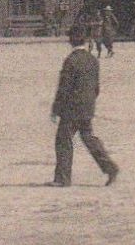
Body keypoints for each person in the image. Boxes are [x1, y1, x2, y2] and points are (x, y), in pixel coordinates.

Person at [49, 24, 118, 187]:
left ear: (70, 41)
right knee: (88, 137)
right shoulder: (92, 59)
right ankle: (110, 167)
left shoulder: (71, 61)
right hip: (87, 106)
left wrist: (56, 109)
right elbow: (96, 87)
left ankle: (62, 178)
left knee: (63, 140)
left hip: (72, 109)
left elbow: (63, 88)